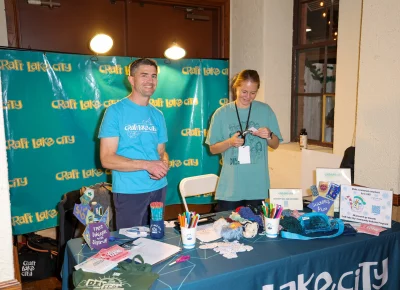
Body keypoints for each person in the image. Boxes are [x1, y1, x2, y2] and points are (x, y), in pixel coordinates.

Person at [99, 58, 169, 229]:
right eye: (144, 75)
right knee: (130, 245)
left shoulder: (158, 114)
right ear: (131, 79)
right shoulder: (115, 111)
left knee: (156, 240)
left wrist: (164, 163)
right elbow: (107, 159)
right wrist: (147, 165)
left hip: (159, 188)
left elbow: (161, 151)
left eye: (153, 76)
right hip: (130, 192)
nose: (150, 80)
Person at [205, 69, 282, 211]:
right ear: (236, 87)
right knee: (228, 229)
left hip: (257, 186)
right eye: (244, 92)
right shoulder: (221, 113)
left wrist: (269, 135)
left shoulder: (265, 110)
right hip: (231, 187)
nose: (248, 97)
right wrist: (229, 142)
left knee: (256, 230)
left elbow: (275, 144)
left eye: (253, 93)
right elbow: (212, 148)